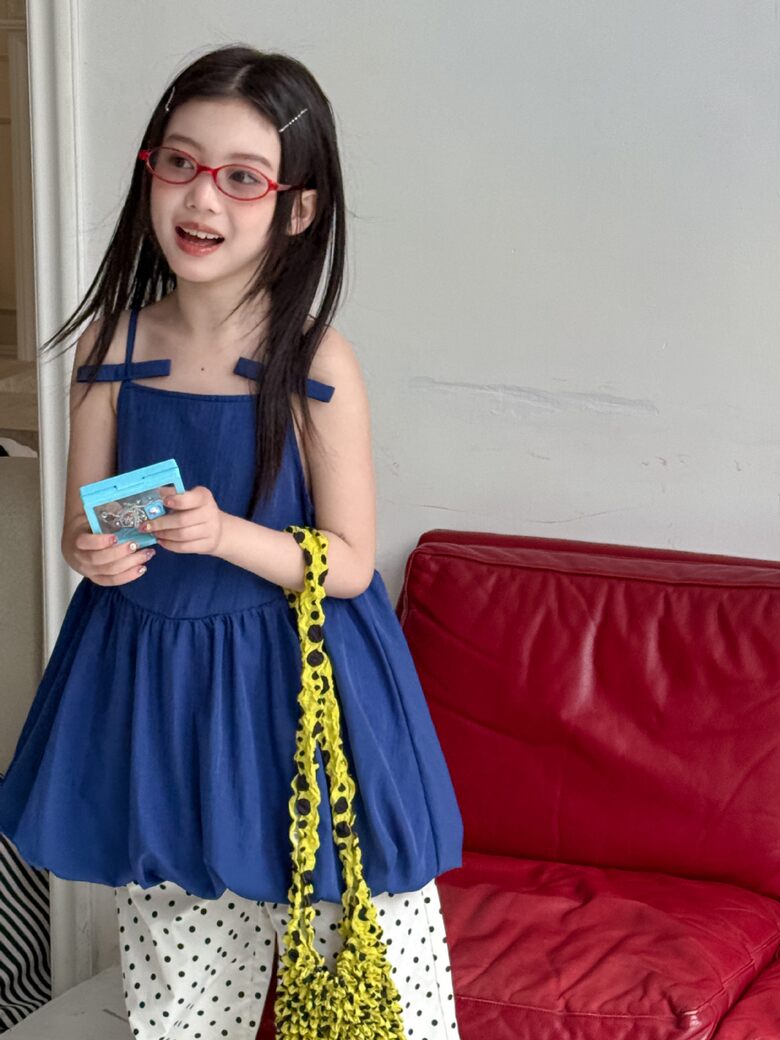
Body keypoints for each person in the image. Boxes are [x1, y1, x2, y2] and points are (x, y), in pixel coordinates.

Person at [0, 44, 464, 1039]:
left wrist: (224, 534)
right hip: (152, 679)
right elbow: (89, 519)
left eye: (242, 177)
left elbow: (348, 560)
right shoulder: (112, 345)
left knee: (377, 984)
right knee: (178, 991)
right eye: (179, 161)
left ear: (297, 209)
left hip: (304, 692)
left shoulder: (315, 361)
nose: (200, 197)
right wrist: (93, 550)